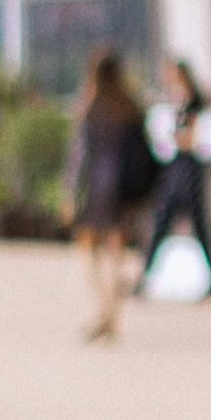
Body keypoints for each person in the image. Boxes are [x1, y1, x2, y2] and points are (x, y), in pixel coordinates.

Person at [68, 46, 158, 344]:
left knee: (89, 248)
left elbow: (80, 156)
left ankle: (102, 310)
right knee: (116, 250)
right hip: (123, 188)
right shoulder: (131, 107)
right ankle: (112, 316)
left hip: (96, 186)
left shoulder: (89, 106)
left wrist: (71, 192)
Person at [139, 57, 211, 292]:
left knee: (198, 223)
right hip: (173, 165)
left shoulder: (194, 103)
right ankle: (146, 274)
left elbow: (192, 138)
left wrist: (177, 137)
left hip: (189, 165)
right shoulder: (173, 103)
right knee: (161, 219)